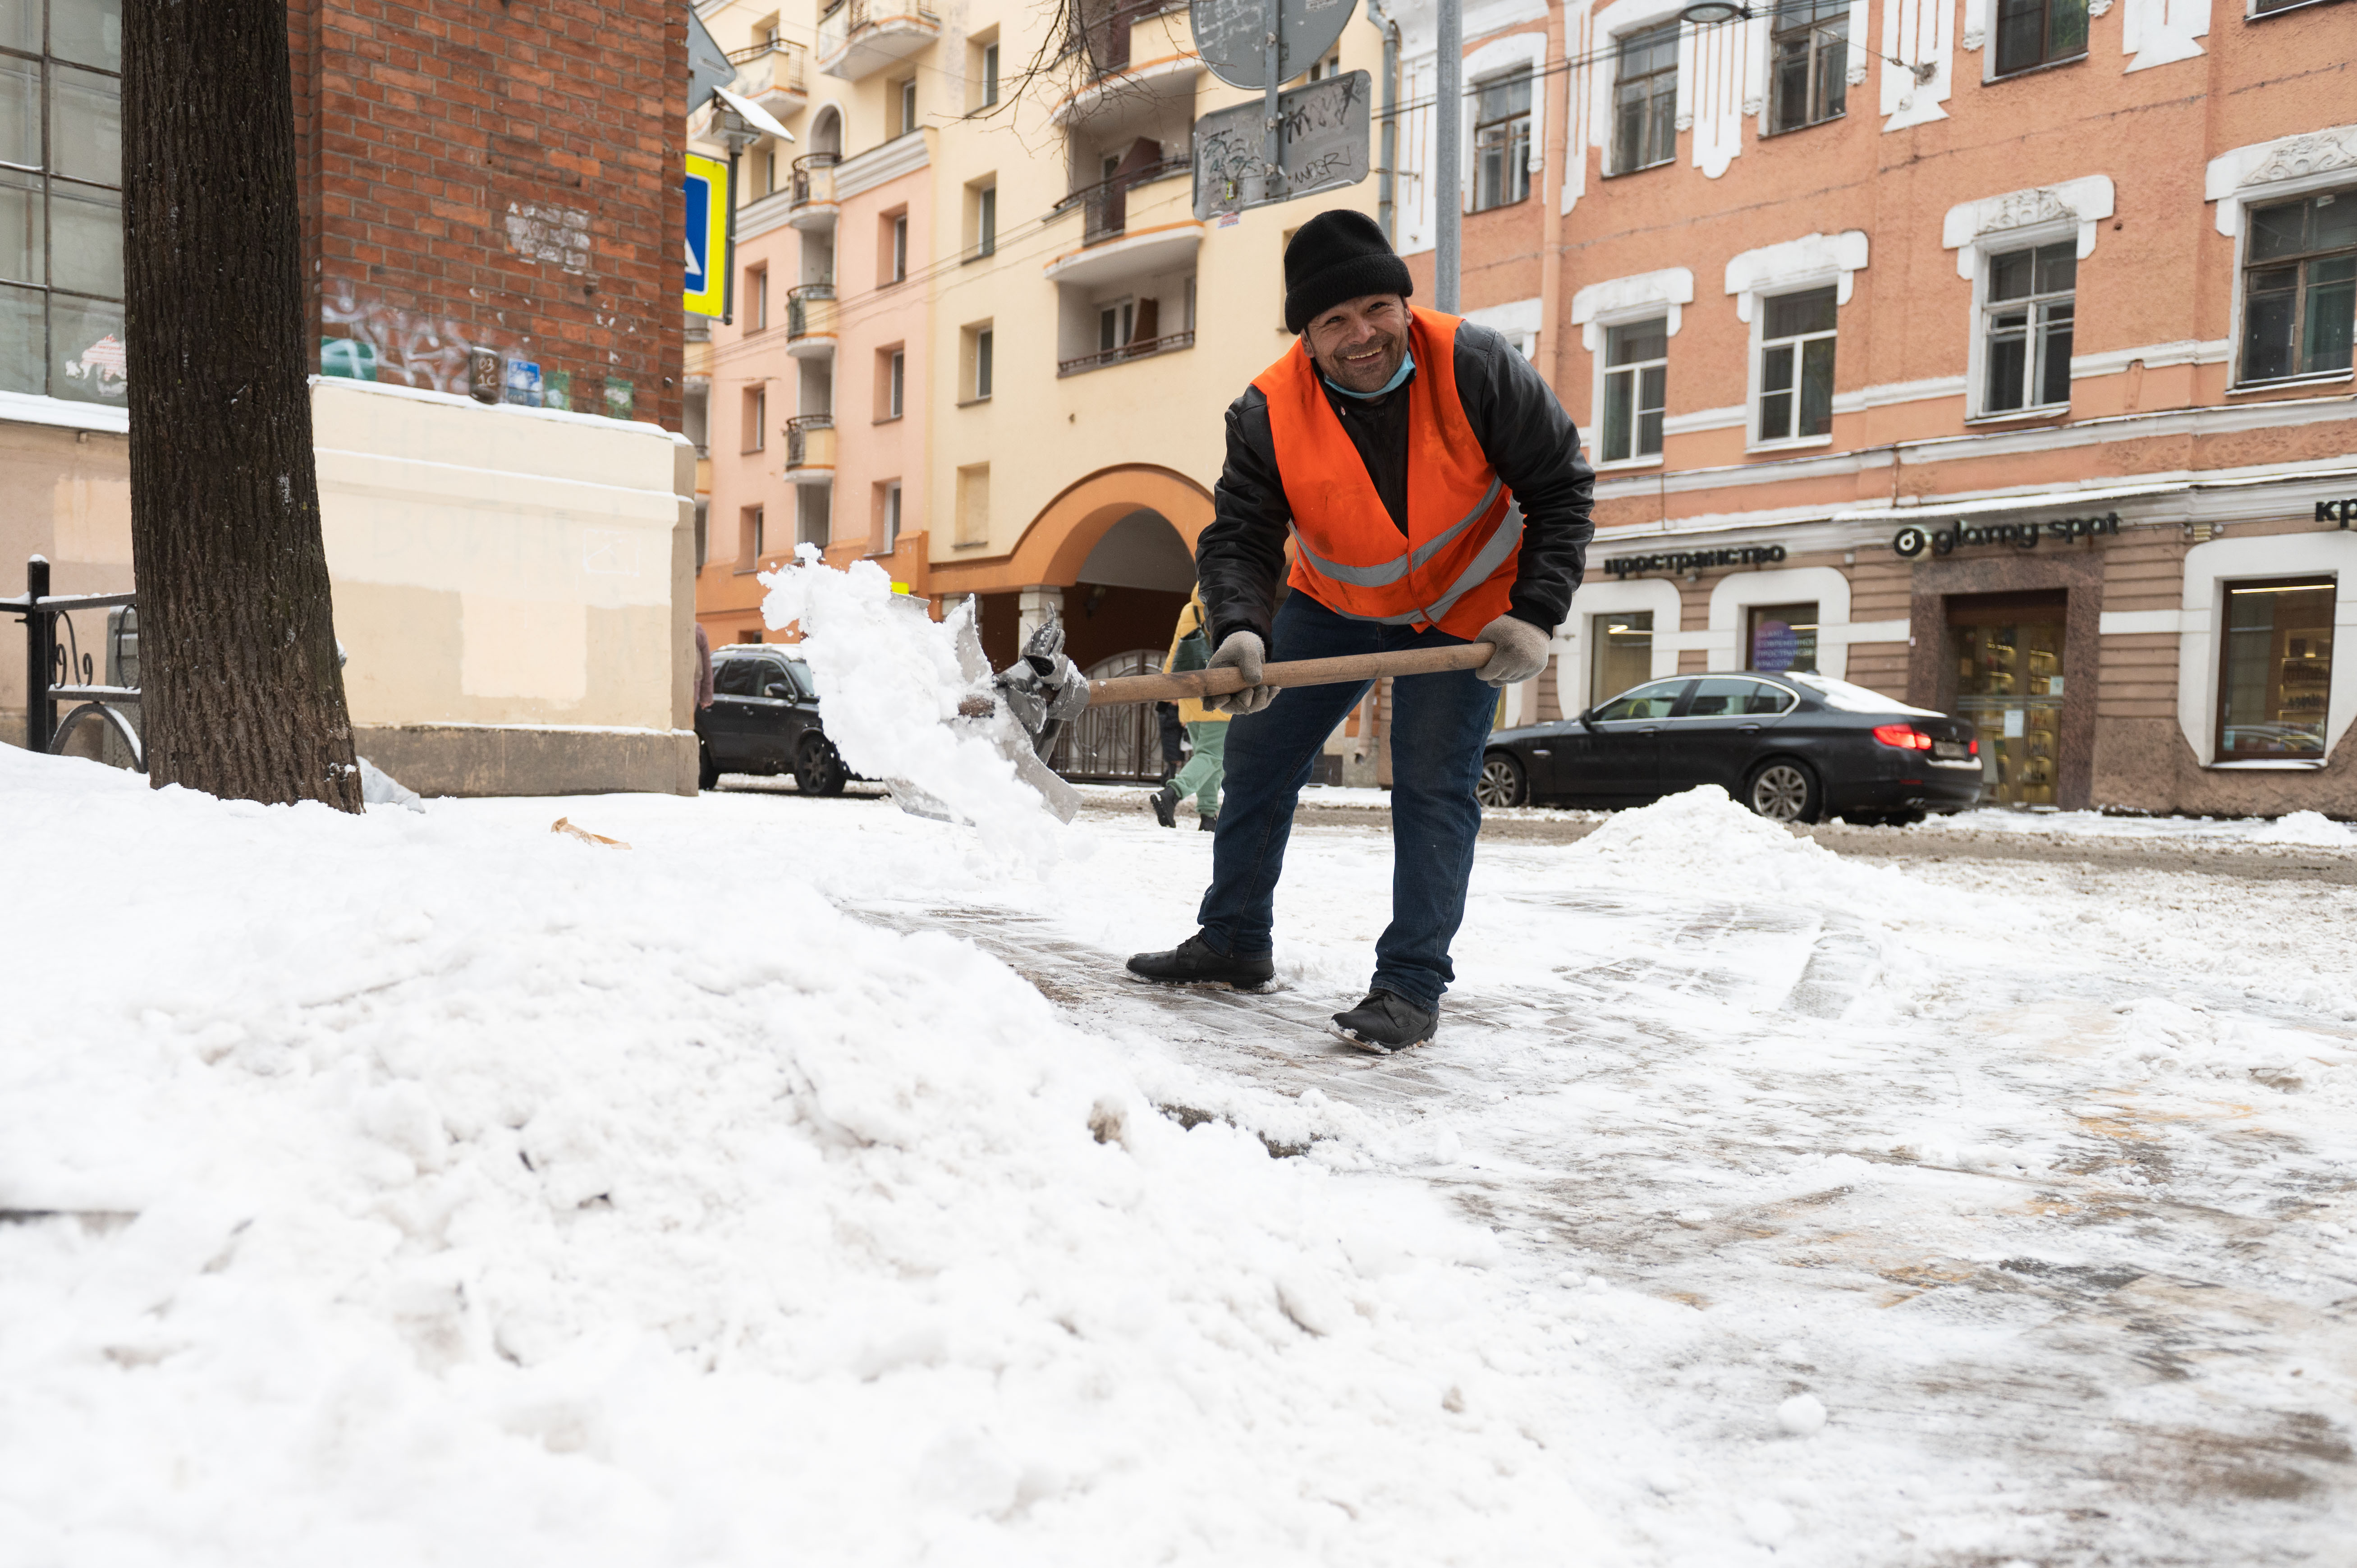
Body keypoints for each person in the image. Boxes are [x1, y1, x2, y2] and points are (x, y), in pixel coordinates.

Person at [1125, 210, 1594, 1053]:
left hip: (1466, 611)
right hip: (1333, 603)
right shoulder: (1267, 409)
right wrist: (1240, 628)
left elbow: (1560, 489)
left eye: (1376, 307)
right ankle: (1233, 939)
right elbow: (1239, 533)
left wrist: (1533, 612)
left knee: (1427, 785)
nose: (1361, 334)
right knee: (1257, 757)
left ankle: (1410, 984)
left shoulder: (1477, 365)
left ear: (1404, 305)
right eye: (1333, 320)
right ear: (1306, 334)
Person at [1146, 586, 1229, 831]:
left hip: (1191, 695)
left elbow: (1176, 651)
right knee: (1213, 756)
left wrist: (1169, 689)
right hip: (1220, 692)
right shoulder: (1231, 608)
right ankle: (1172, 794)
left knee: (1207, 758)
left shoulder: (1189, 611)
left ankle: (1208, 816)